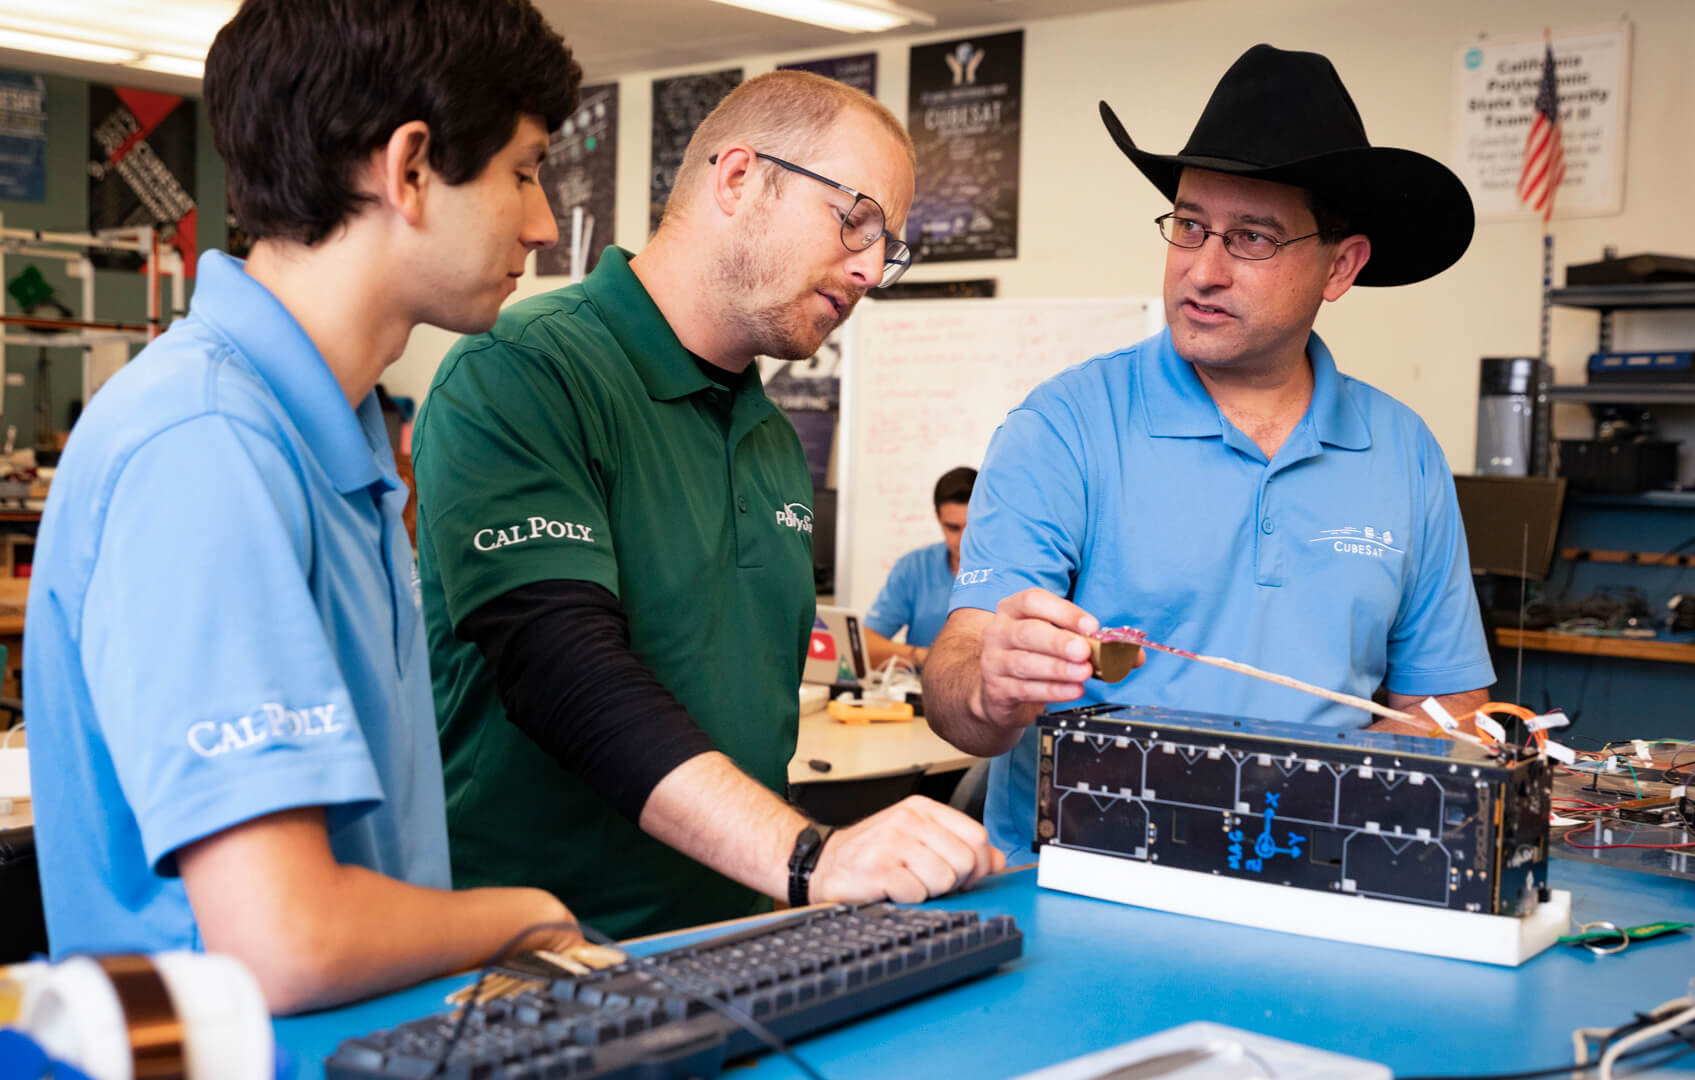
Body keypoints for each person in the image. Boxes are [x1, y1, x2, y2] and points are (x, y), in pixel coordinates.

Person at [23, 0, 584, 1014]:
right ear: (410, 168)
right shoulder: (206, 446)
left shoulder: (332, 433)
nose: (542, 223)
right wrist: (532, 916)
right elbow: (284, 941)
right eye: (524, 171)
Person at [415, 70, 1002, 940]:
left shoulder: (771, 441)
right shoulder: (523, 369)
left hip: (738, 937)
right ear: (737, 179)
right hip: (539, 952)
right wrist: (808, 856)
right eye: (856, 221)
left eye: (890, 246)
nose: (872, 270)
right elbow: (563, 669)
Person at [922, 44, 1497, 867]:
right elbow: (956, 684)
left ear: (1341, 266)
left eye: (1251, 237)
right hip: (1083, 887)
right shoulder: (1065, 426)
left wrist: (1360, 811)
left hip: (1315, 887)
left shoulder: (1404, 452)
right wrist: (989, 683)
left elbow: (1448, 709)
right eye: (1189, 226)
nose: (1203, 270)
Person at [863, 467, 974, 671]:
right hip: (919, 685)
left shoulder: (1012, 570)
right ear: (938, 519)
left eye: (971, 527)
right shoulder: (913, 567)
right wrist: (924, 657)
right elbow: (865, 645)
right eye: (953, 528)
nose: (963, 540)